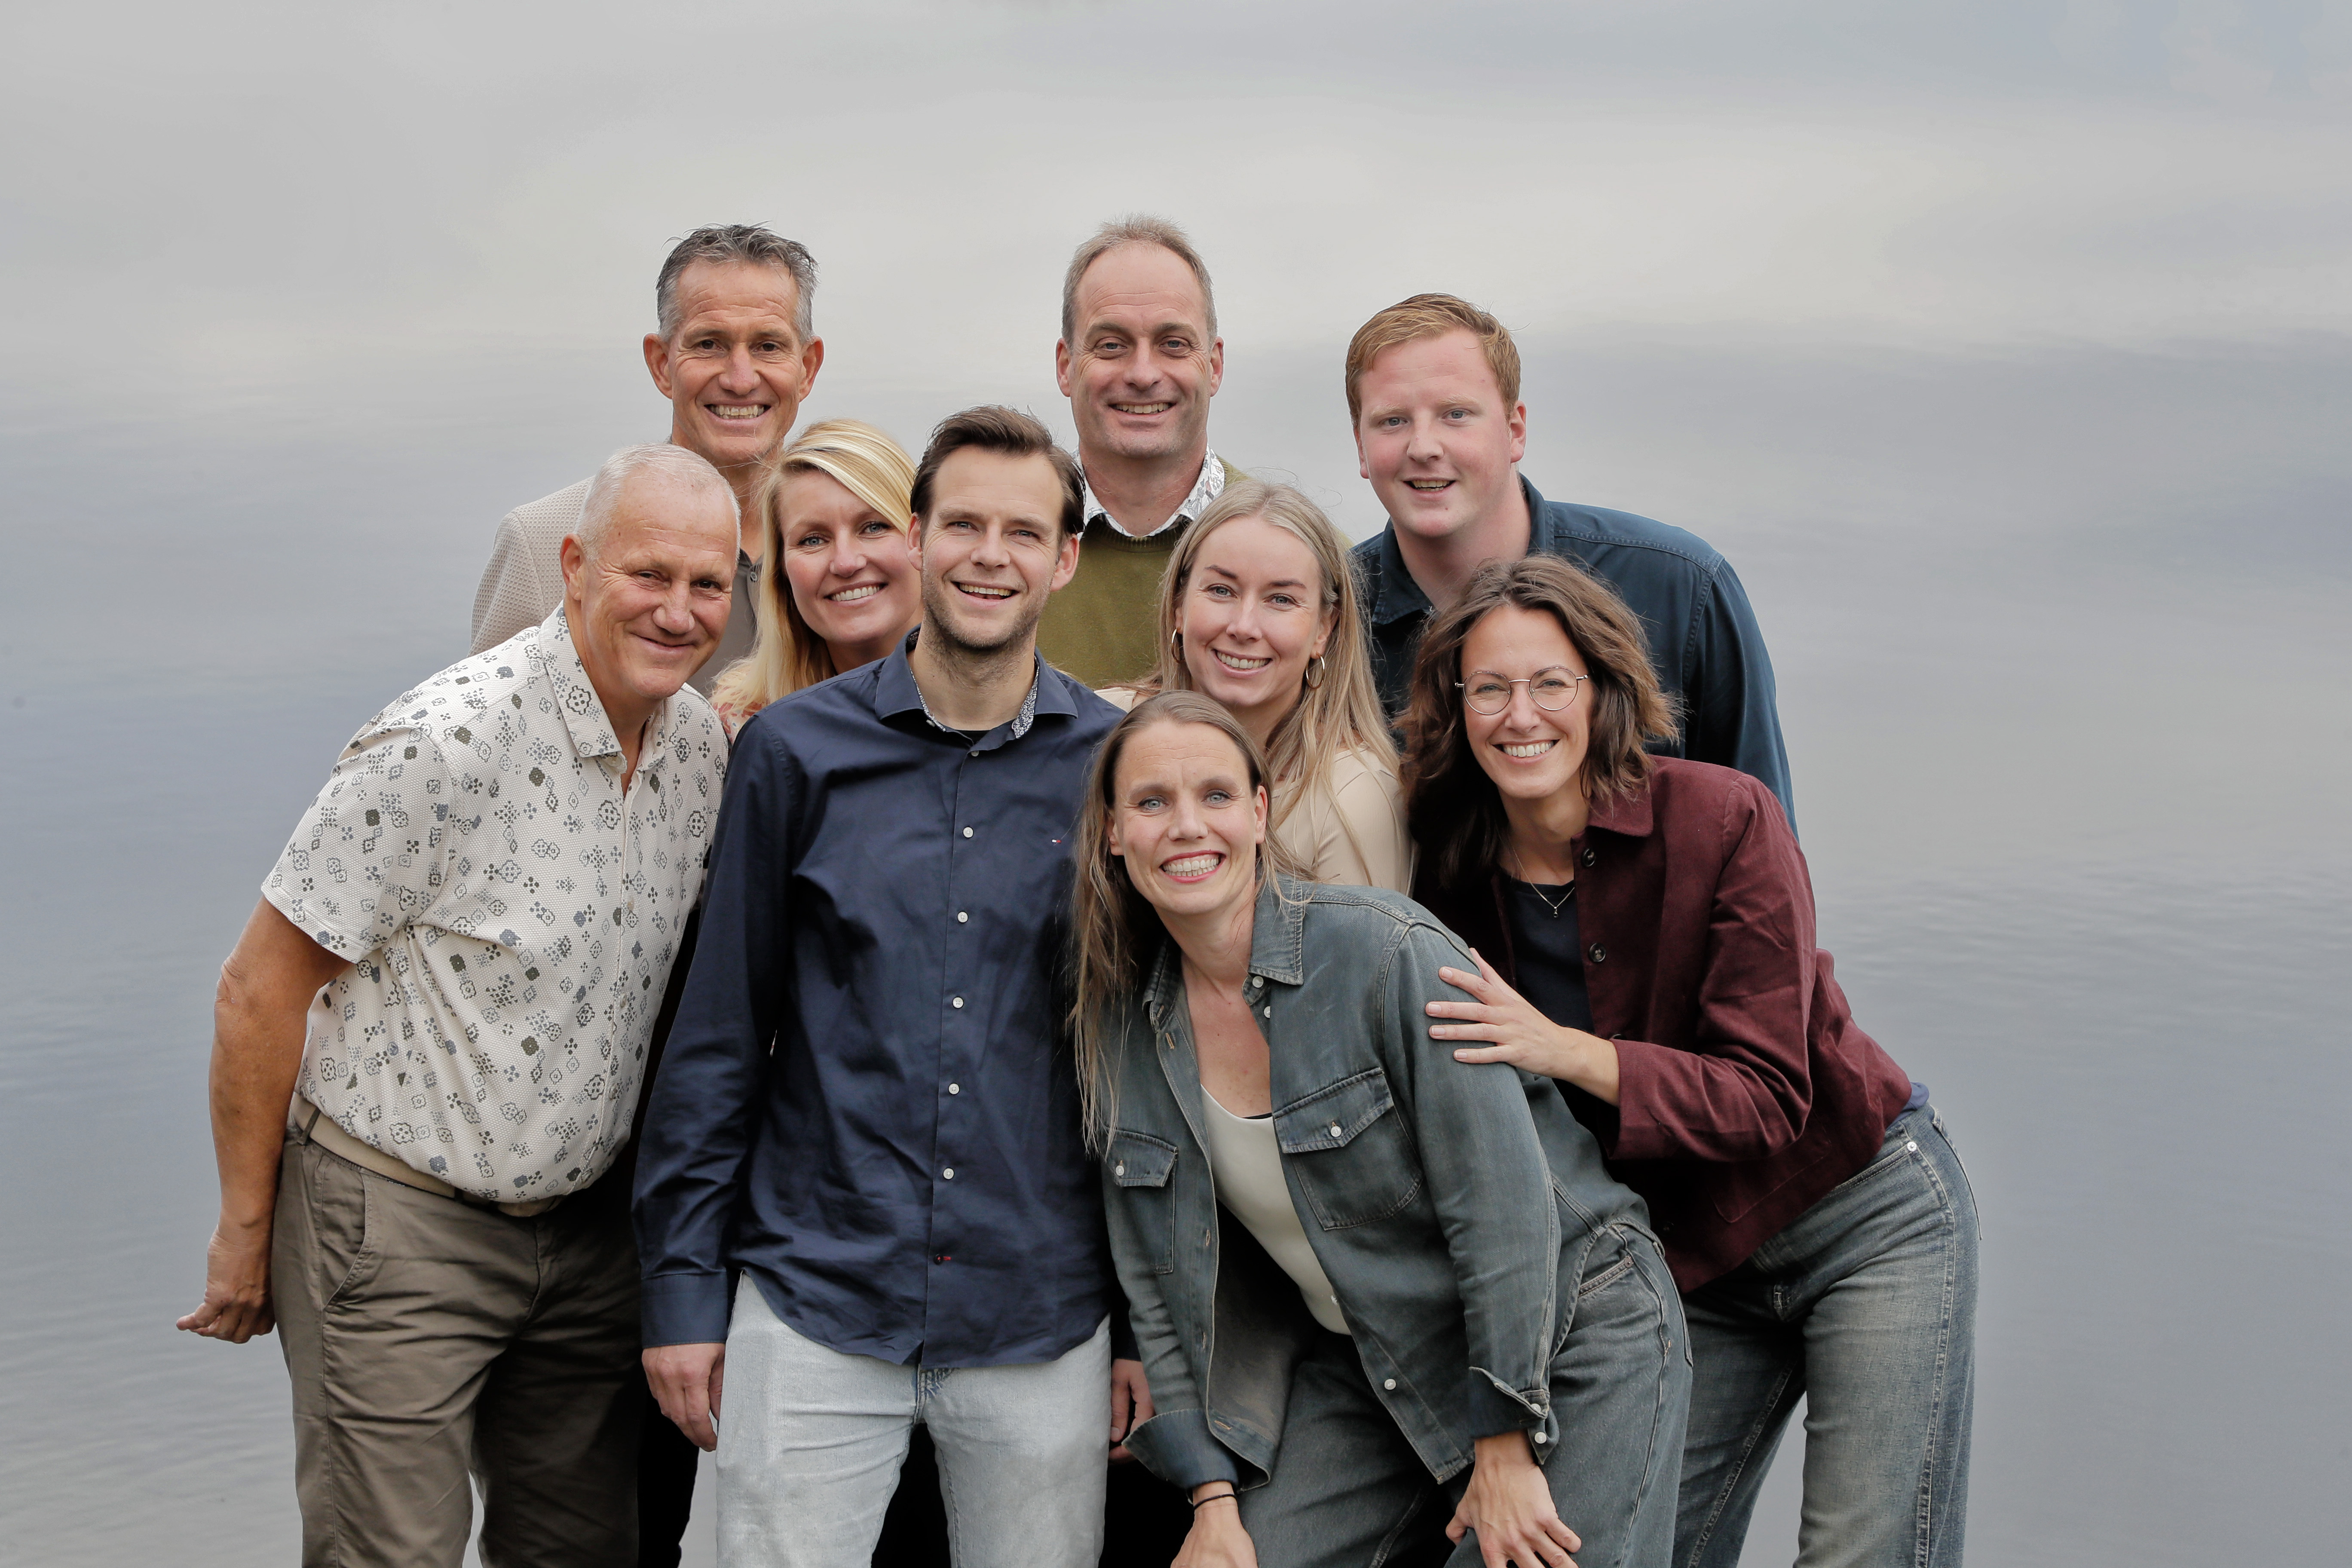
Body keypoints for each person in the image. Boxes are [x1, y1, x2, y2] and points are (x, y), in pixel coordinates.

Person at [176, 444, 739, 1567]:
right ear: (573, 566)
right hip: (398, 1226)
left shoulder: (698, 753)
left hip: (586, 1239)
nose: (678, 612)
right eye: (647, 574)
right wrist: (245, 1231)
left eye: (708, 585)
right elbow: (258, 988)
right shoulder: (445, 741)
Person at [632, 406, 1148, 1567]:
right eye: (962, 524)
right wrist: (683, 1293)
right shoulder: (791, 754)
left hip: (1040, 1307)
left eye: (1023, 532)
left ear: (1066, 559)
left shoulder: (1111, 771)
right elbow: (718, 1040)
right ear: (917, 538)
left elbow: (1140, 1062)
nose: (988, 556)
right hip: (814, 1291)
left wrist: (1140, 1323)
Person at [1404, 556, 1978, 1568]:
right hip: (1690, 1266)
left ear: (1602, 692)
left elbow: (1766, 1096)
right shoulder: (1446, 871)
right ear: (1456, 707)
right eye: (1487, 688)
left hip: (1864, 1216)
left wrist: (1564, 1050)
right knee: (1622, 1544)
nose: (1519, 715)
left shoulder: (1726, 818)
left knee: (1861, 1554)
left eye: (1550, 683)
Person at [1074, 691, 1690, 1568]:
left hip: (1572, 1326)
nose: (1186, 826)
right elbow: (1157, 1280)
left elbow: (1501, 1205)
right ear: (1112, 831)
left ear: (1259, 812)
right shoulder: (1121, 1029)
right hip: (1372, 1355)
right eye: (1150, 801)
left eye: (1215, 795)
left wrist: (1503, 1438)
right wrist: (1211, 1502)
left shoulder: (1384, 952)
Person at [1344, 293, 1795, 826]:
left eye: (1456, 414)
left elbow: (1764, 836)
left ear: (1515, 431)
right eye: (1393, 421)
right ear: (1361, 447)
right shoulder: (1327, 617)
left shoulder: (1681, 589)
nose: (1423, 447)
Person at [471, 223, 825, 695]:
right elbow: (485, 724)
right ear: (661, 364)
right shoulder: (543, 542)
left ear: (807, 368)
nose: (740, 380)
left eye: (768, 346)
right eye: (709, 344)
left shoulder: (864, 549)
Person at [1106, 478, 1409, 892]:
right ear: (1179, 606)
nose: (1244, 626)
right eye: (1221, 590)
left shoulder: (1356, 797)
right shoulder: (1100, 730)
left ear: (1324, 628)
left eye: (1281, 599)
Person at [1040, 216, 1243, 689]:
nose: (1143, 374)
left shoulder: (1303, 558)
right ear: (1066, 366)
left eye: (1174, 344)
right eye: (1112, 345)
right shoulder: (1000, 555)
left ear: (1214, 366)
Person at [709, 418, 921, 736]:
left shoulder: (997, 699)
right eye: (812, 540)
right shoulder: (742, 721)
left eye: (874, 527)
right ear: (781, 570)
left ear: (921, 539)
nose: (846, 563)